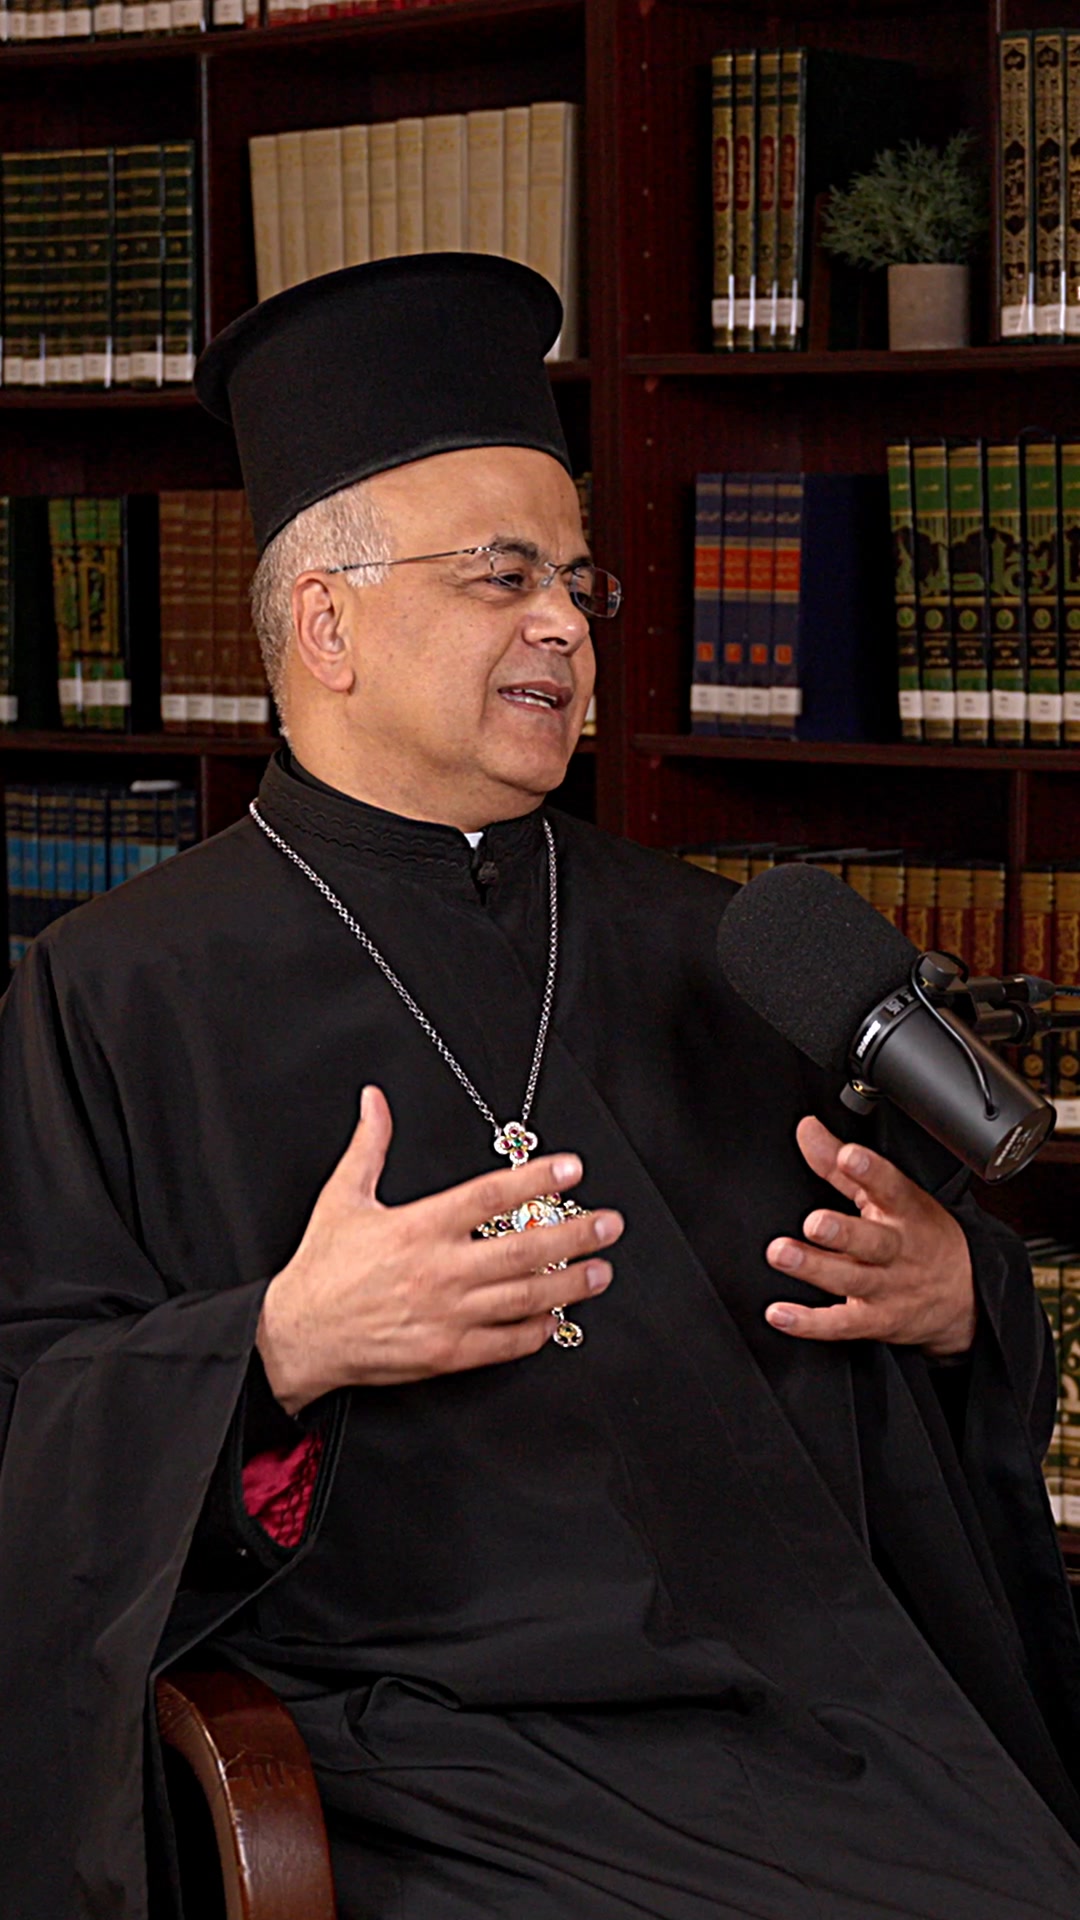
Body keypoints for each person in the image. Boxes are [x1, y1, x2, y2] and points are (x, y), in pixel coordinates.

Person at [1, 253, 1079, 1920]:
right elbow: (33, 1425)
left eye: (578, 582)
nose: (566, 627)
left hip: (802, 1709)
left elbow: (933, 1369)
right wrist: (282, 1343)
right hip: (418, 1751)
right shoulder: (113, 993)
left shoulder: (716, 949)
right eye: (503, 578)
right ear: (326, 624)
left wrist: (956, 1302)